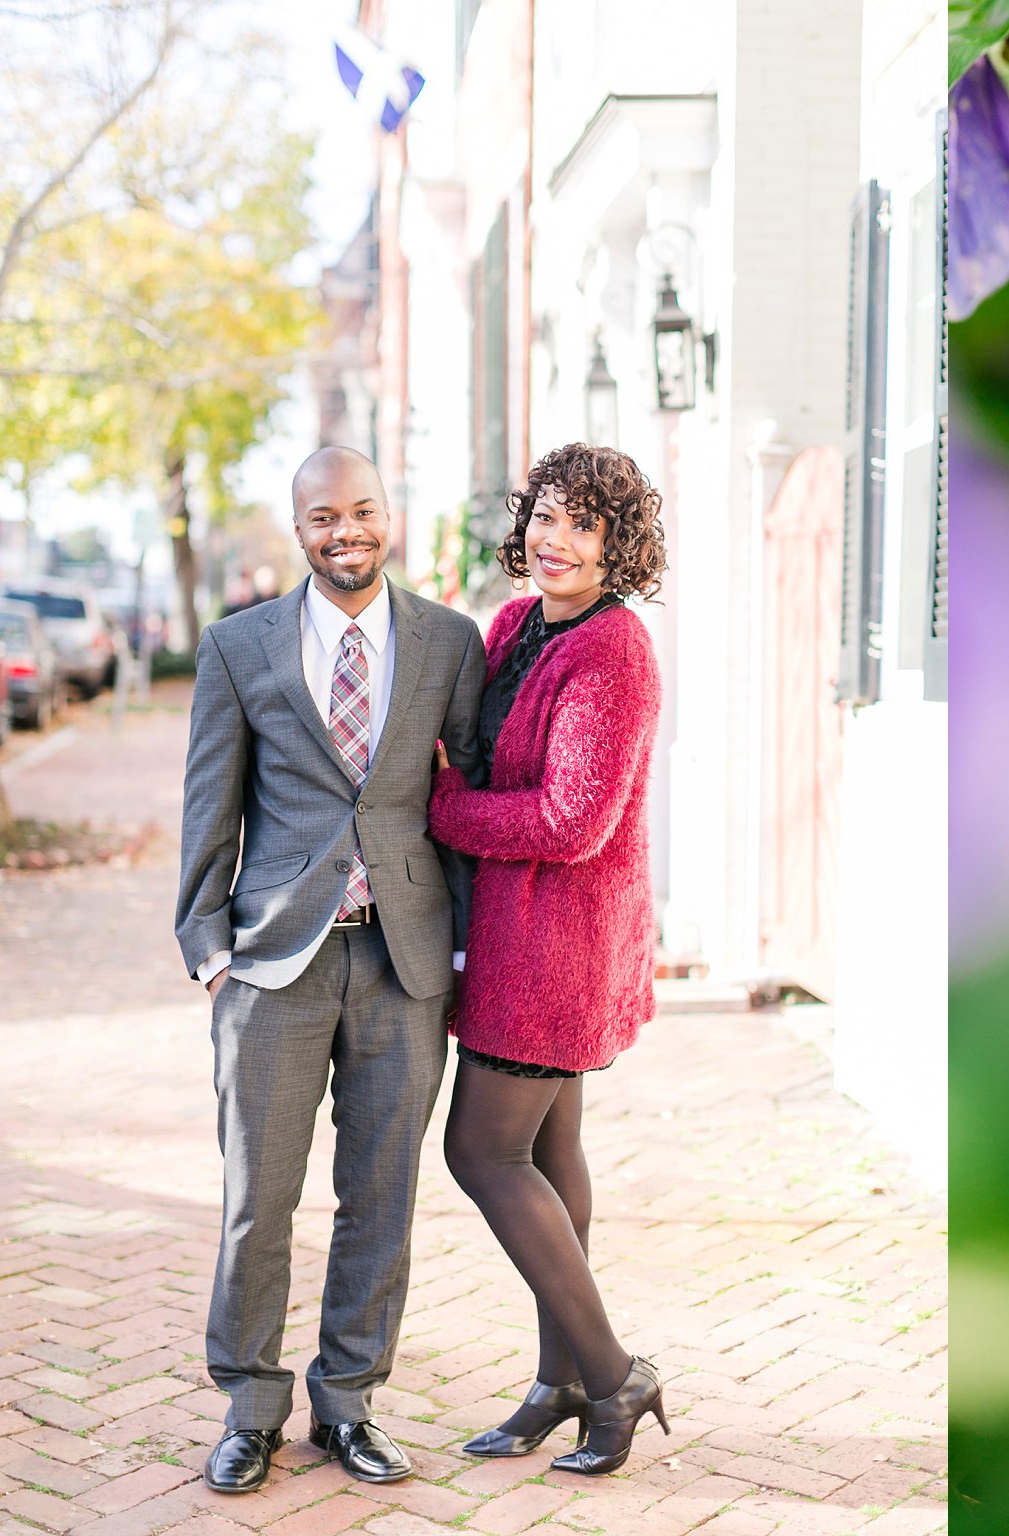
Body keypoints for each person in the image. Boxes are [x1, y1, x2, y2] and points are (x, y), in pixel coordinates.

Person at [174, 446, 488, 1494]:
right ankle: (250, 1407)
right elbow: (209, 803)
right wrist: (209, 944)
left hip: (402, 958)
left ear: (388, 515)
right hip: (273, 964)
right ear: (297, 528)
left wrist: (463, 947)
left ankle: (348, 1402)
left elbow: (465, 797)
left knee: (380, 1192)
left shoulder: (447, 641)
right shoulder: (237, 646)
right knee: (259, 1197)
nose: (343, 531)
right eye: (322, 517)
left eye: (360, 512)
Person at [425, 441, 668, 1476]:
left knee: (481, 1154)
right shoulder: (517, 623)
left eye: (583, 524)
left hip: (556, 946)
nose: (555, 540)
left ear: (619, 548)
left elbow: (571, 821)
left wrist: (442, 809)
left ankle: (614, 1377)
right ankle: (559, 1378)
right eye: (545, 517)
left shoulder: (614, 653)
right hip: (513, 932)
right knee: (549, 1152)